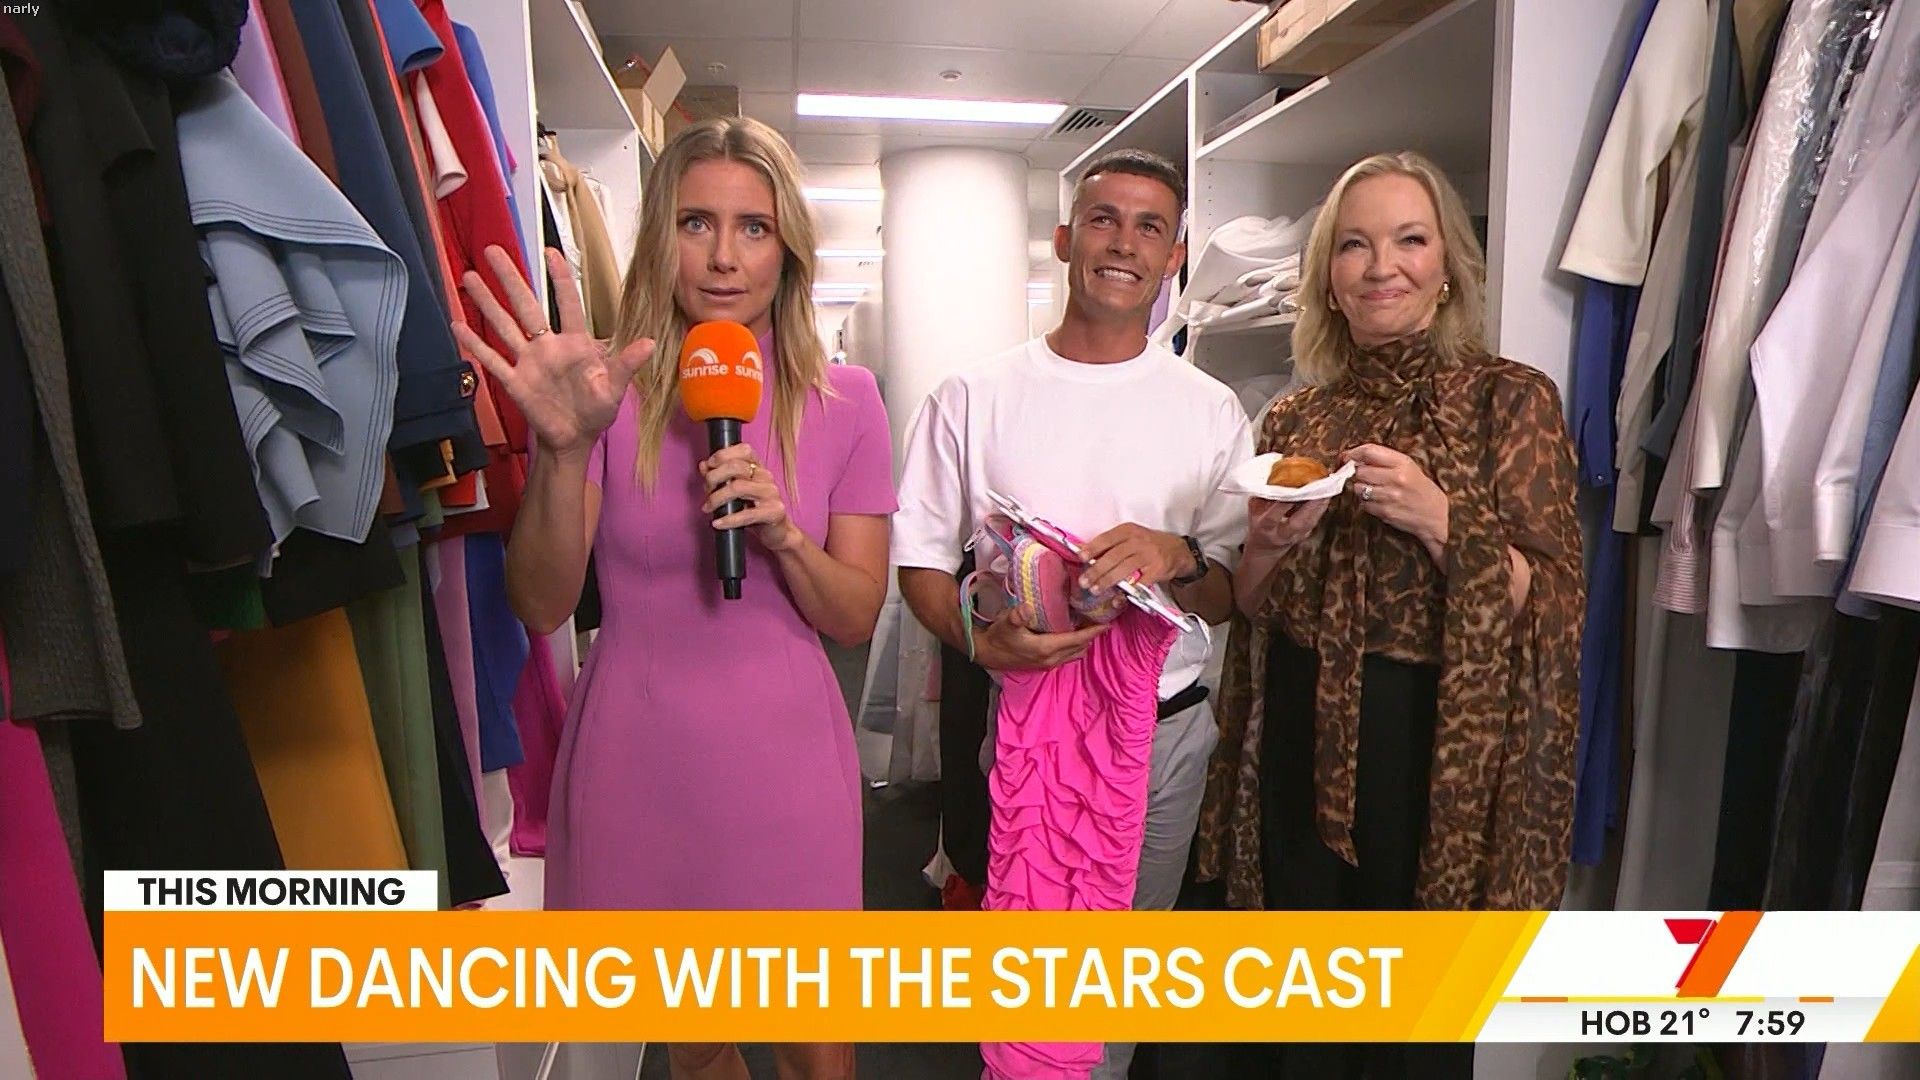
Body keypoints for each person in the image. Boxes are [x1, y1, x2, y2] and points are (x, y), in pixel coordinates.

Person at [454, 116, 895, 1080]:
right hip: (637, 755)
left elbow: (856, 615)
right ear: (663, 237)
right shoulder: (604, 392)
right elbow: (539, 604)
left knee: (817, 1041)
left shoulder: (849, 400)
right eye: (698, 223)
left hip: (786, 760)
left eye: (753, 227)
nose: (724, 257)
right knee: (693, 1039)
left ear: (788, 249)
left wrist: (784, 537)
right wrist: (563, 452)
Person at [1196, 150, 1584, 1077]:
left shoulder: (1510, 399)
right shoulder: (1294, 419)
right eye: (1354, 246)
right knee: (1299, 1016)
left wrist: (1440, 518)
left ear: (1448, 265)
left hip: (1429, 741)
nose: (1382, 268)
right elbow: (1248, 609)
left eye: (1410, 240)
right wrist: (1268, 547)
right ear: (1327, 278)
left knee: (1410, 1025)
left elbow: (1552, 600)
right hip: (1297, 734)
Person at [893, 148, 1253, 1080]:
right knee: (1025, 961)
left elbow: (1230, 595)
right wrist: (983, 641)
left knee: (1123, 974)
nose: (1123, 243)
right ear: (1063, 239)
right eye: (1103, 219)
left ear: (1173, 256)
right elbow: (920, 566)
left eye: (1148, 227)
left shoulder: (1212, 411)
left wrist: (1178, 555)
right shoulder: (972, 397)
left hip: (1163, 733)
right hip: (1019, 721)